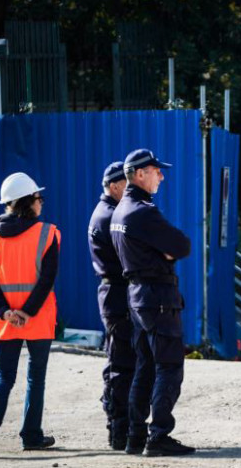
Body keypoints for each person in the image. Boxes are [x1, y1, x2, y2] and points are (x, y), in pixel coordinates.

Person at [111, 149, 194, 457]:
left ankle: (136, 436)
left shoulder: (121, 210)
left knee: (145, 368)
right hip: (157, 298)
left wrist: (165, 251)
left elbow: (172, 247)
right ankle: (158, 436)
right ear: (141, 173)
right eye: (157, 170)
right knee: (169, 366)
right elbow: (182, 245)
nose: (162, 175)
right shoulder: (143, 212)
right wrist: (165, 253)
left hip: (138, 299)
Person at [0, 172, 60, 456]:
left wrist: (5, 312)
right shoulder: (47, 233)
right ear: (27, 202)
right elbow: (47, 278)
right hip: (37, 318)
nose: (42, 203)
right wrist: (27, 312)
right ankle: (31, 436)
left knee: (5, 375)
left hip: (5, 321)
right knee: (35, 378)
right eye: (39, 198)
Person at [88, 161, 135, 451]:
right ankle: (118, 428)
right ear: (115, 186)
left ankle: (119, 423)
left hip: (113, 291)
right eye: (127, 185)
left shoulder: (105, 211)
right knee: (120, 363)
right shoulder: (108, 216)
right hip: (117, 292)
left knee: (118, 358)